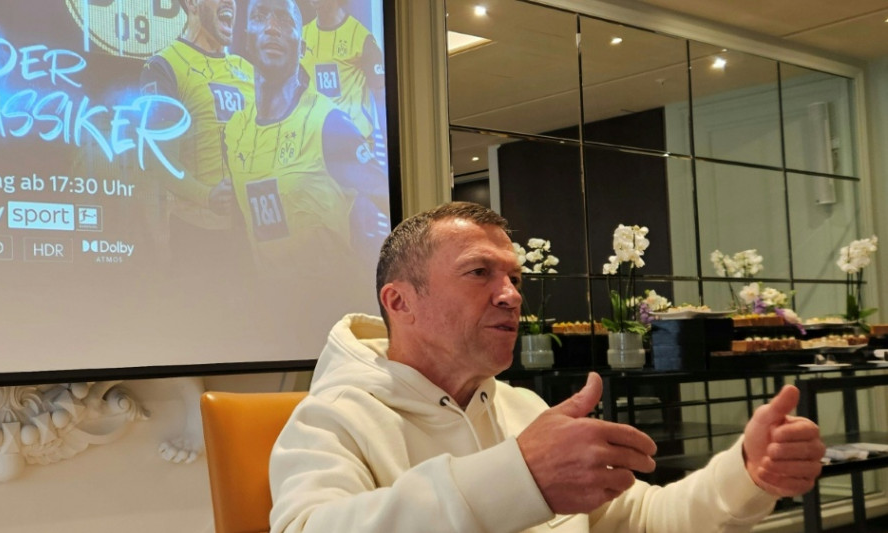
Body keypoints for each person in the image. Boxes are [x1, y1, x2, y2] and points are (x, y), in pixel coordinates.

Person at [268, 201, 826, 533]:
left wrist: (747, 473)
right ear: (400, 302)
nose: (512, 295)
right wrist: (518, 476)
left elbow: (643, 519)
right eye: (479, 273)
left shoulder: (522, 408)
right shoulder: (331, 421)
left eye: (514, 277)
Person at [222, 0, 389, 272]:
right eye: (261, 17)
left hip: (331, 292)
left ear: (301, 49)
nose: (272, 28)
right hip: (267, 294)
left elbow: (387, 197)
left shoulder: (330, 124)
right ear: (246, 40)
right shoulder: (234, 131)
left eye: (284, 20)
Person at [140, 0, 253, 270]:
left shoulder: (248, 70)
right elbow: (158, 159)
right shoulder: (163, 66)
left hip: (252, 237)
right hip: (199, 240)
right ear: (192, 3)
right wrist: (208, 196)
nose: (230, 3)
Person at [301, 0, 386, 161]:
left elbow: (381, 98)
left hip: (354, 147)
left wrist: (391, 152)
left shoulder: (362, 38)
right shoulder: (301, 37)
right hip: (315, 149)